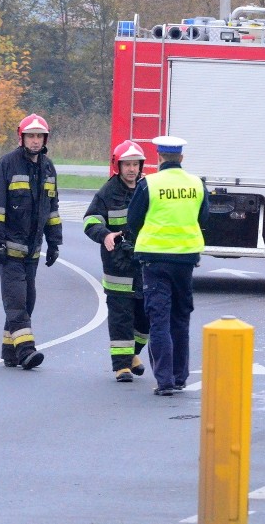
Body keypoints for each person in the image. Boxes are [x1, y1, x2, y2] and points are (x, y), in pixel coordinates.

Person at [127, 135, 209, 396]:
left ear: (159, 158)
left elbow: (133, 220)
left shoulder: (149, 184)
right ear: (181, 158)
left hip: (155, 260)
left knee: (158, 319)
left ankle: (164, 382)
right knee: (180, 318)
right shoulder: (196, 184)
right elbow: (203, 217)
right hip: (185, 260)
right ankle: (179, 377)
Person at [0, 113, 62, 369]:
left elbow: (52, 209)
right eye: (31, 136)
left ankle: (10, 352)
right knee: (17, 302)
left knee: (28, 301)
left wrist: (54, 243)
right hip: (9, 250)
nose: (35, 140)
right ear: (22, 137)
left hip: (33, 251)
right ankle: (27, 351)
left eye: (39, 136)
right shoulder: (7, 164)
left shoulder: (48, 167)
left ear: (45, 139)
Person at [83, 140, 151, 382]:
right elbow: (90, 220)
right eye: (127, 165)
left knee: (146, 318)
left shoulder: (146, 189)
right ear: (117, 166)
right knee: (121, 317)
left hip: (144, 265)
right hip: (118, 266)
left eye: (135, 164)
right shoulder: (107, 192)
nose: (132, 169)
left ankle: (133, 354)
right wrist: (106, 235)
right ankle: (121, 366)